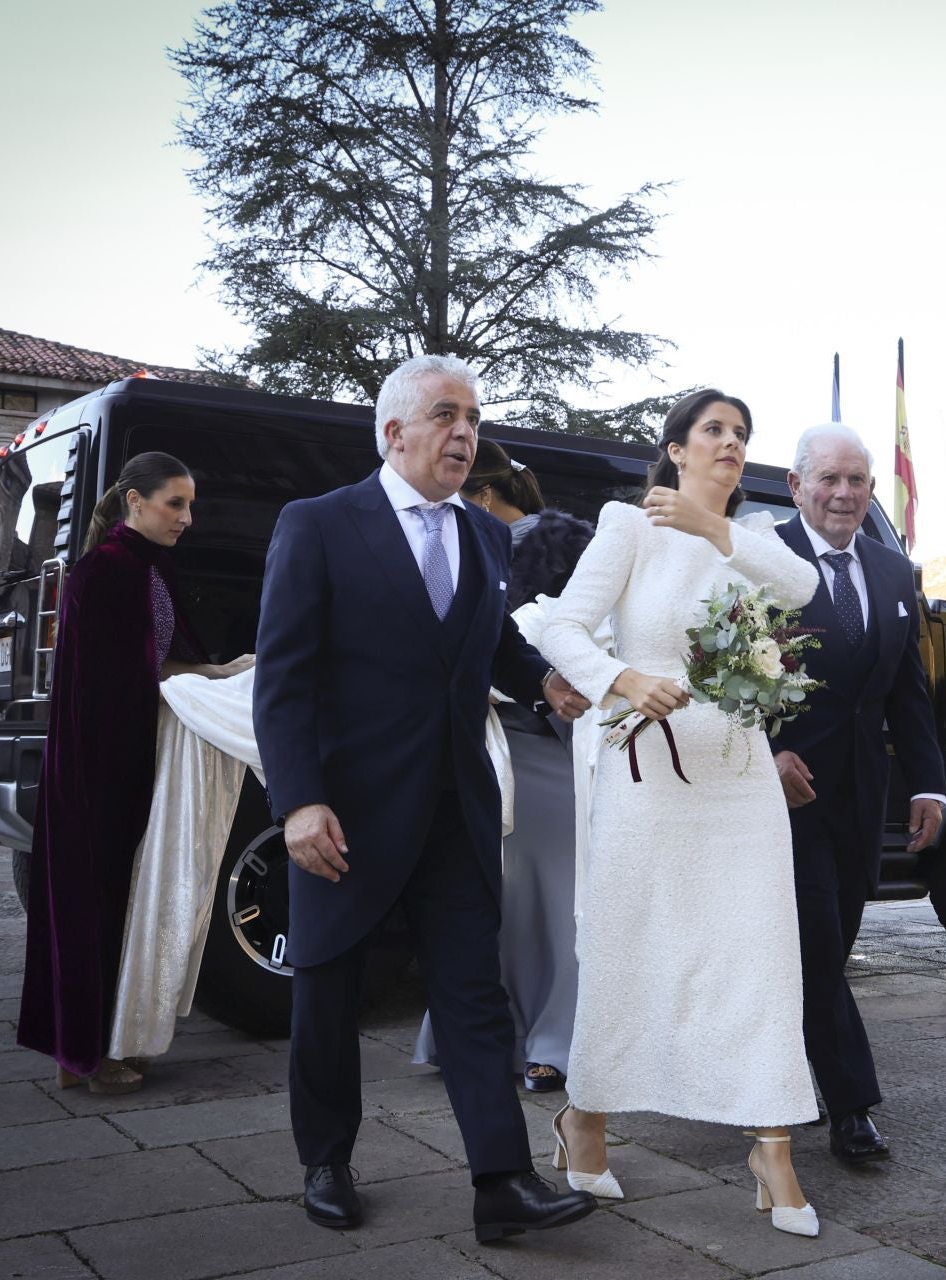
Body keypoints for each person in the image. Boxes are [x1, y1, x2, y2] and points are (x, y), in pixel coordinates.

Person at [252, 355, 597, 1241]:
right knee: (328, 993)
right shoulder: (319, 525)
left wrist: (546, 683)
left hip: (457, 808)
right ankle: (325, 1162)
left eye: (474, 418)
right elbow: (283, 681)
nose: (466, 434)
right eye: (447, 415)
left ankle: (502, 1184)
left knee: (473, 995)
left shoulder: (486, 536)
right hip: (349, 812)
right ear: (394, 431)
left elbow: (482, 650)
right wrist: (298, 802)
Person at [539, 389, 827, 1238]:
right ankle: (584, 1121)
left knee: (758, 956)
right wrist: (621, 680)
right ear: (675, 450)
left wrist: (713, 529)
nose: (731, 443)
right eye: (714, 431)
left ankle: (772, 1147)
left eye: (741, 434)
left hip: (739, 784)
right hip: (646, 785)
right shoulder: (627, 529)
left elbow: (805, 588)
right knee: (632, 949)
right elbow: (562, 628)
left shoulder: (758, 542)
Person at [17, 452, 244, 1095]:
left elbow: (164, 662)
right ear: (135, 502)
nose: (187, 518)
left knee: (116, 903)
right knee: (95, 907)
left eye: (190, 504)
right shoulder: (105, 571)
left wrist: (220, 673)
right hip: (98, 767)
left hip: (126, 759)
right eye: (175, 503)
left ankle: (89, 1050)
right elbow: (125, 679)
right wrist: (215, 676)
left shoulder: (146, 566)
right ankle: (86, 1056)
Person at [769, 423, 946, 1165]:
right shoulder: (759, 560)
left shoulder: (891, 569)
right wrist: (763, 751)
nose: (844, 494)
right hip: (778, 799)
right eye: (829, 480)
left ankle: (771, 1076)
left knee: (826, 945)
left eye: (858, 481)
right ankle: (852, 1107)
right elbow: (713, 677)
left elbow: (908, 695)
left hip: (861, 800)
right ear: (796, 485)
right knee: (814, 946)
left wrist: (930, 784)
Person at [413, 439, 591, 1095]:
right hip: (494, 744)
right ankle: (484, 1036)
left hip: (549, 740)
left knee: (561, 899)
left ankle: (554, 1040)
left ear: (485, 496)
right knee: (502, 899)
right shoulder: (465, 549)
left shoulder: (559, 545)